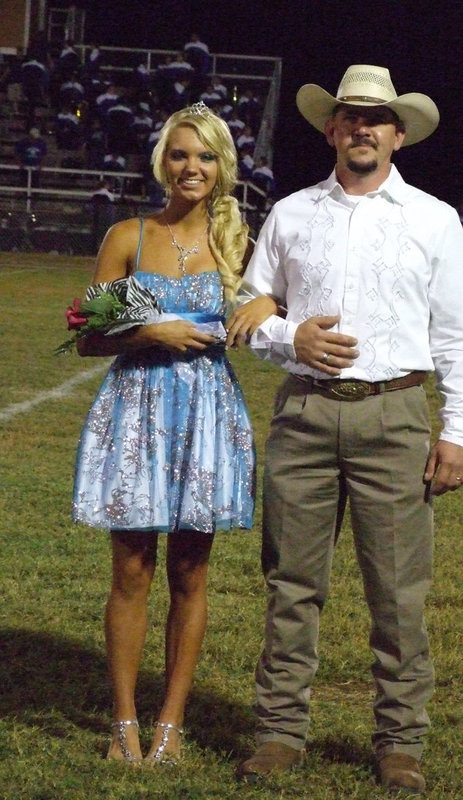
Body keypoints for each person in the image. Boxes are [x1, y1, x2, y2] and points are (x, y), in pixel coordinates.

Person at [232, 64, 463, 794]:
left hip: (397, 416)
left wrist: (456, 430)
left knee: (398, 592)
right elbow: (252, 312)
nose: (363, 128)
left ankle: (400, 740)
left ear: (398, 134)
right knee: (291, 586)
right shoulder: (291, 213)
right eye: (350, 116)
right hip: (306, 415)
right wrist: (291, 341)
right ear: (331, 128)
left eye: (377, 118)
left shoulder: (433, 219)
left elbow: (456, 337)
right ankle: (279, 732)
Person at [71, 101, 276, 764]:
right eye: (181, 154)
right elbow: (88, 339)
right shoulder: (130, 237)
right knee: (131, 569)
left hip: (209, 414)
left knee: (192, 570)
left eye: (206, 156)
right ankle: (125, 723)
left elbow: (277, 301)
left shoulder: (237, 242)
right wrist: (148, 330)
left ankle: (170, 726)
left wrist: (267, 301)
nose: (193, 167)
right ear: (164, 162)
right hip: (139, 411)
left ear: (222, 167)